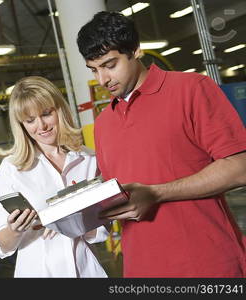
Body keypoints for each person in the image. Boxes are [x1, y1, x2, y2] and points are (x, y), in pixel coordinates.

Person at [76, 11, 246, 277]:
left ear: (136, 50)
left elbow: (239, 168)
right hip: (143, 271)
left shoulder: (192, 89)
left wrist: (156, 193)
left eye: (110, 65)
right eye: (94, 69)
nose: (102, 80)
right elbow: (118, 199)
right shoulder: (103, 124)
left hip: (208, 265)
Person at [0, 76, 109, 277]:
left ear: (59, 110)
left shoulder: (88, 160)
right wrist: (15, 229)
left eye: (46, 114)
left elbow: (101, 229)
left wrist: (69, 223)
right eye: (30, 120)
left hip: (86, 271)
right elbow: (3, 243)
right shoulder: (12, 169)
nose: (41, 126)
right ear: (21, 125)